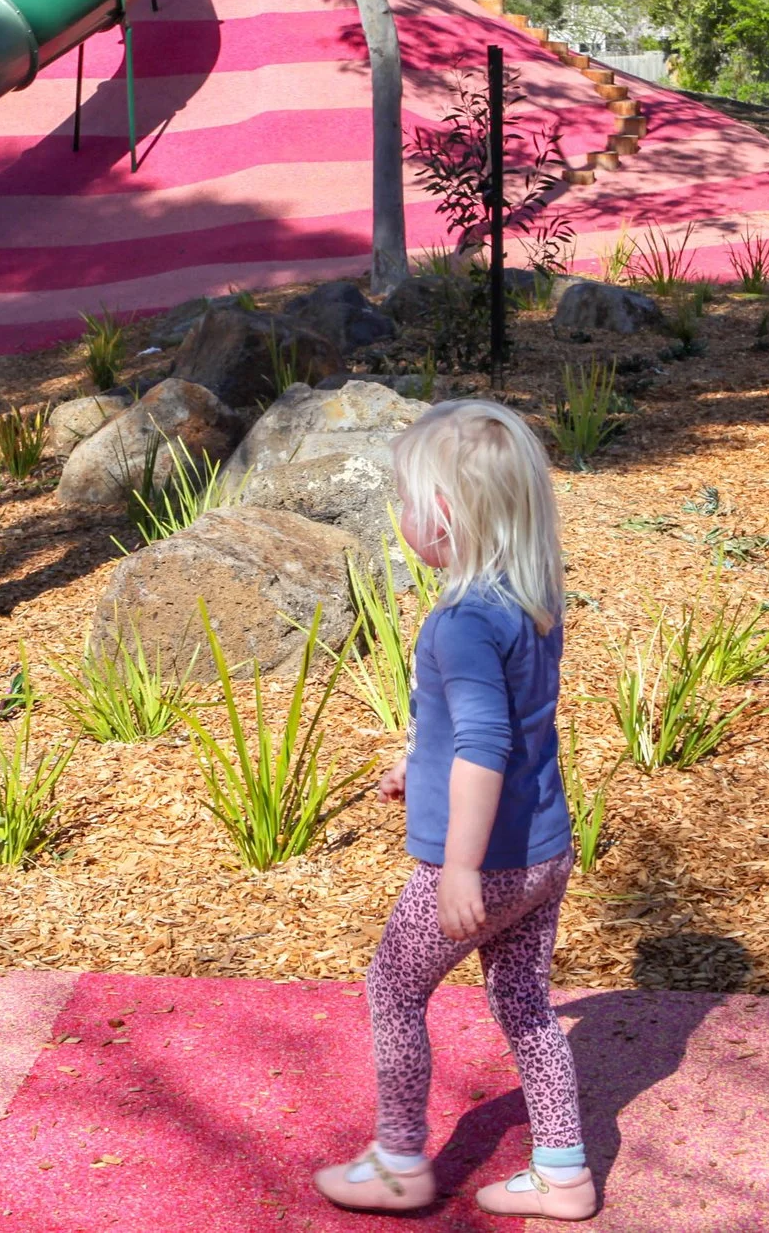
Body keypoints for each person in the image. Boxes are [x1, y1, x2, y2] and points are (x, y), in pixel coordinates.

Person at [314, 399, 593, 1221]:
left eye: (404, 499)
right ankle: (563, 1168)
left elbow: (484, 746)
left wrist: (460, 866)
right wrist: (417, 764)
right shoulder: (531, 600)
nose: (399, 516)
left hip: (484, 861)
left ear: (441, 516)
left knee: (394, 990)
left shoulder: (461, 623)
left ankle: (400, 1159)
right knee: (527, 1004)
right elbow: (501, 723)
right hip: (545, 848)